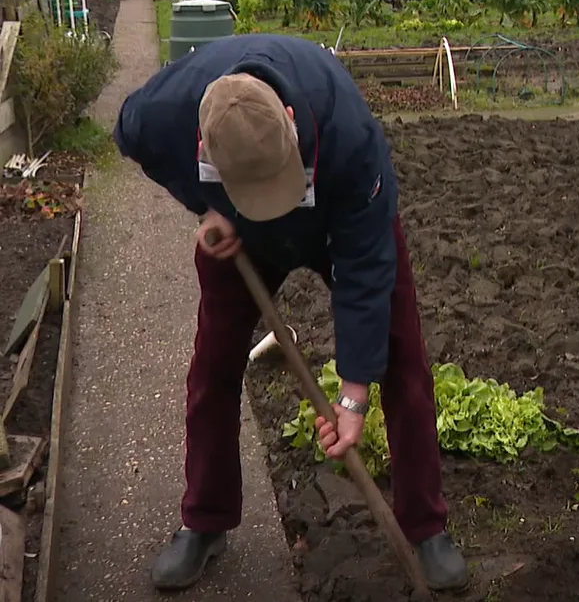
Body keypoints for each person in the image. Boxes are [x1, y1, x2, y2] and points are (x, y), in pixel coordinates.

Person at [113, 33, 468, 592]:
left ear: (290, 119)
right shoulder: (165, 110)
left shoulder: (347, 130)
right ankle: (205, 519)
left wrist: (353, 396)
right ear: (202, 143)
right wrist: (204, 208)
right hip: (238, 235)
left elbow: (366, 269)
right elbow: (129, 135)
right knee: (213, 367)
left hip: (333, 226)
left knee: (402, 360)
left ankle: (426, 527)